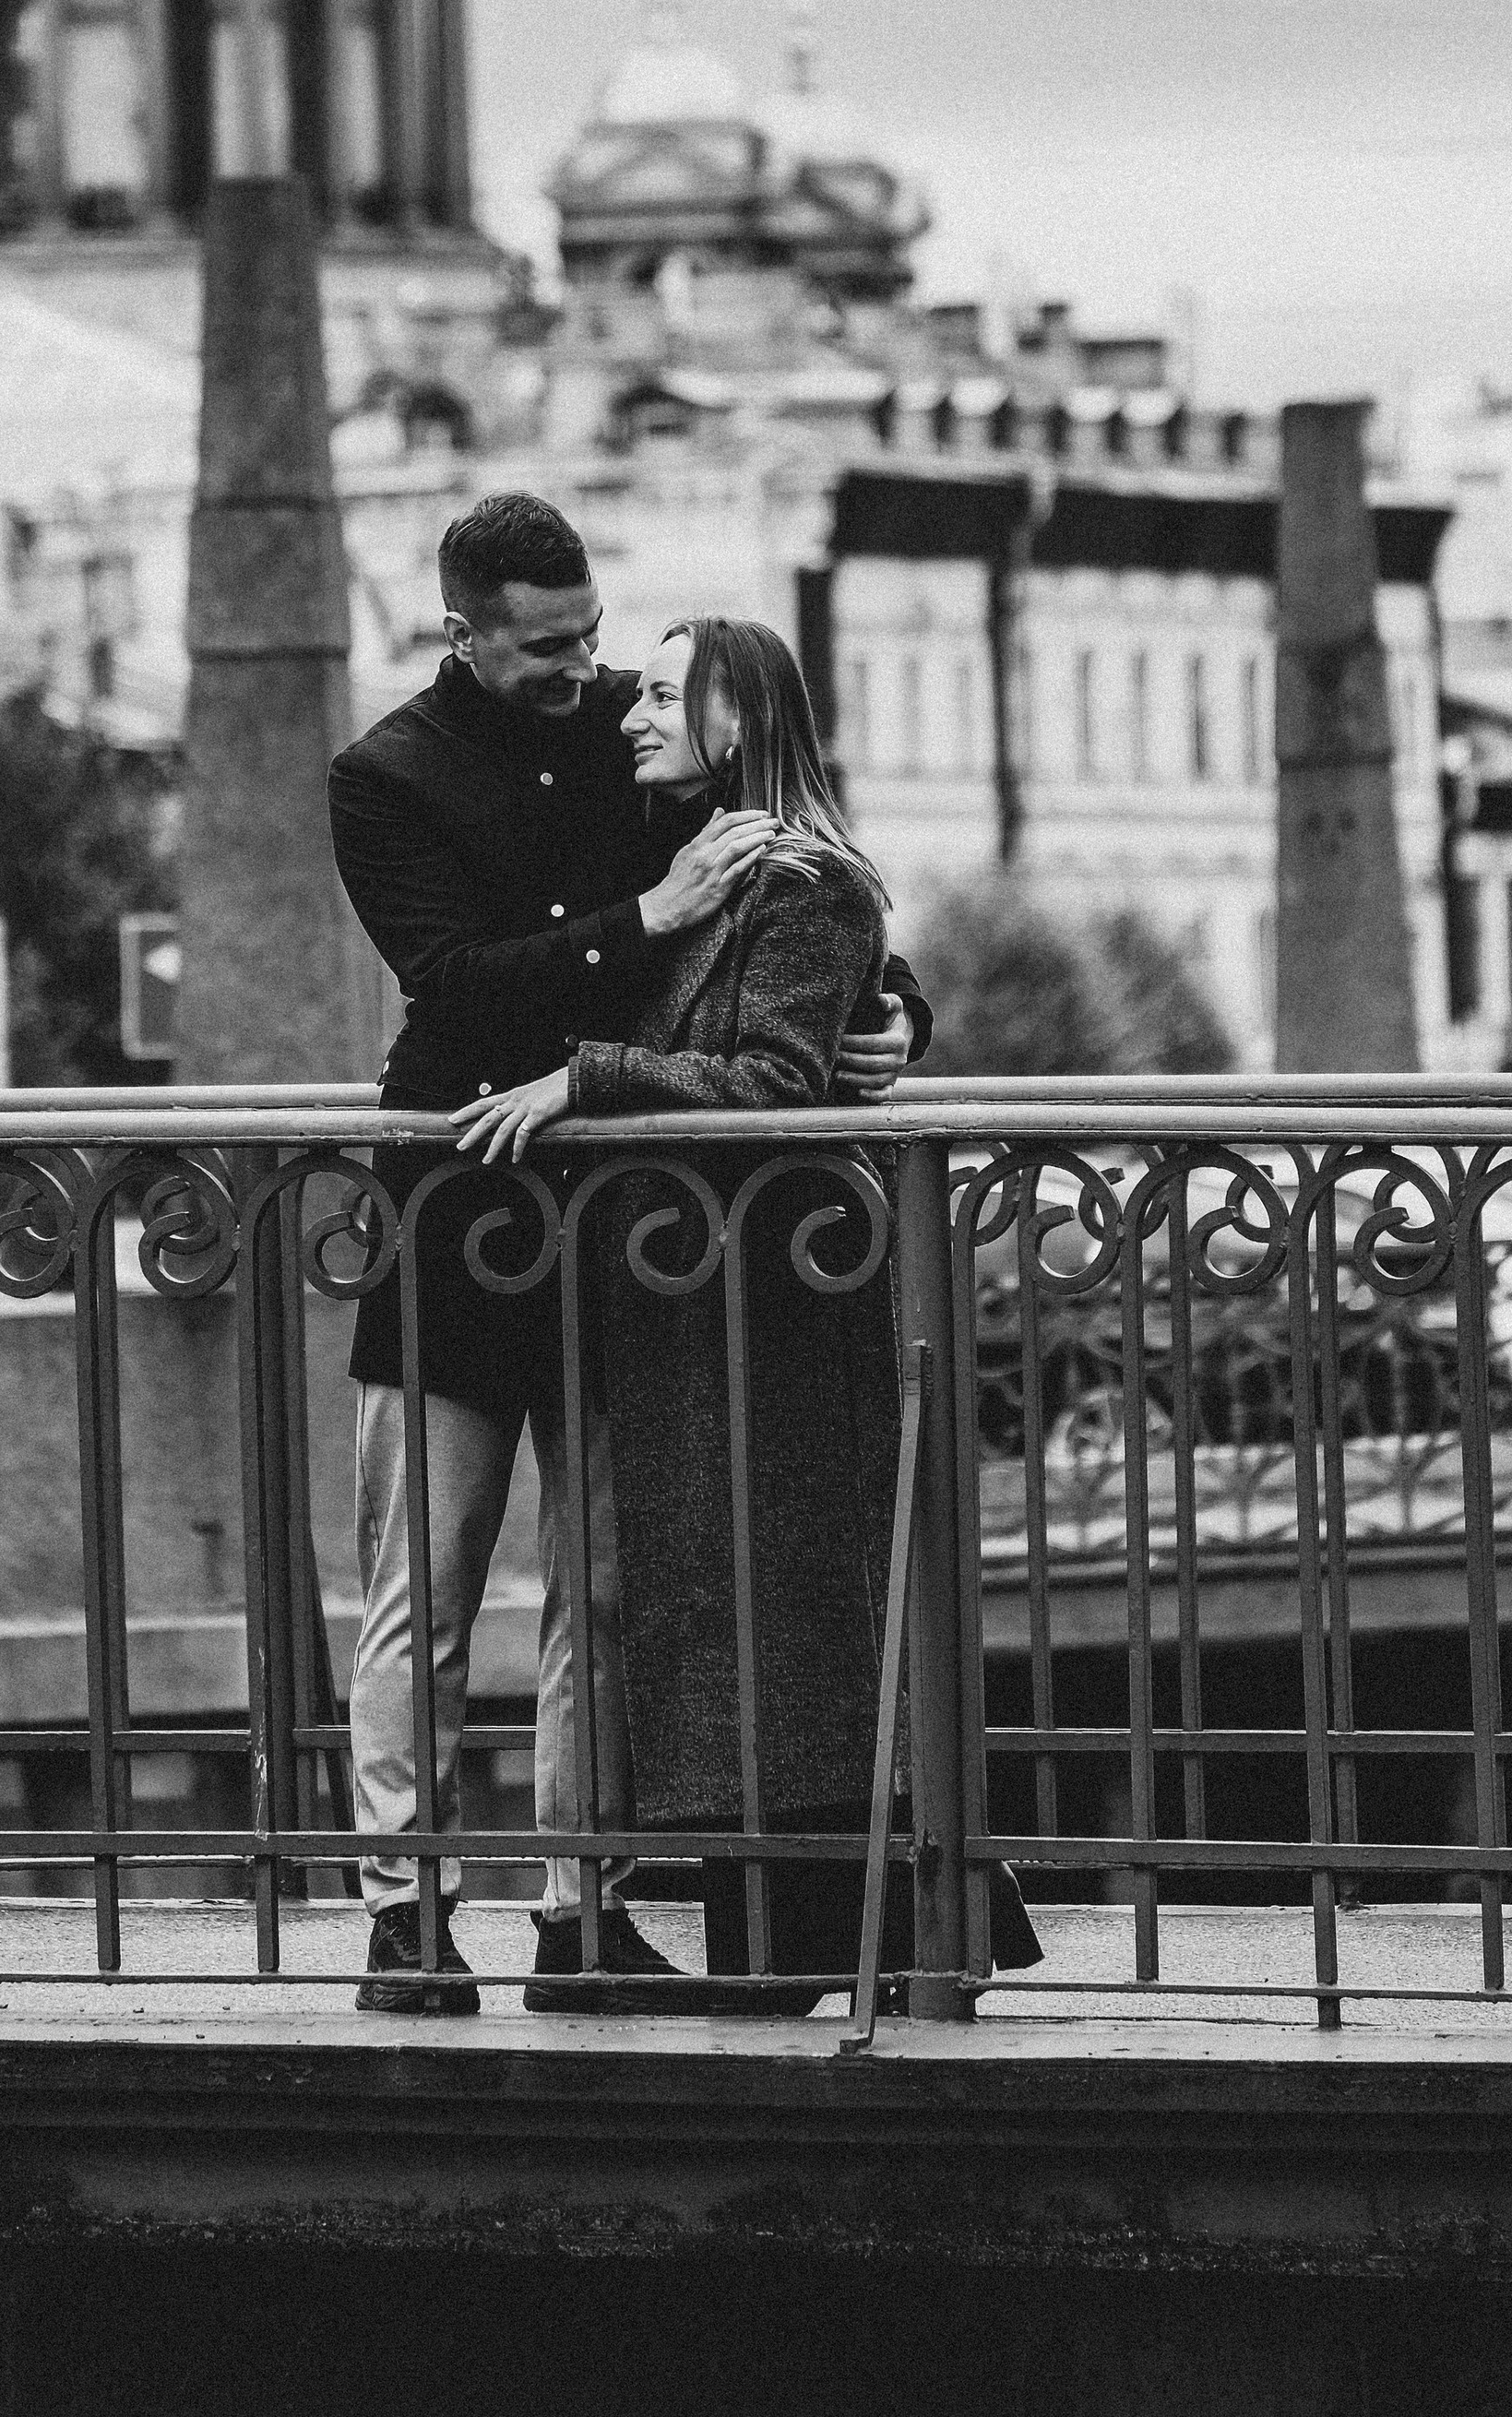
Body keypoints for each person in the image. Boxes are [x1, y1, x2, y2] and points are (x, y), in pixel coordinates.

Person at [327, 495, 928, 2016]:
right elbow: (452, 985)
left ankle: (579, 1909)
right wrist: (639, 917)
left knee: (601, 1591)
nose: (582, 666)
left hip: (620, 1241)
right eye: (546, 646)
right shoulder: (382, 774)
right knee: (431, 1588)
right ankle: (406, 1915)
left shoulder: (630, 729)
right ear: (462, 630)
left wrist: (893, 1015)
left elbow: (792, 879)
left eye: (593, 633)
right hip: (459, 1201)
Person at [456, 613, 1040, 2006]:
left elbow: (778, 1074)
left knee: (787, 1620)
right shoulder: (686, 858)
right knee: (724, 1624)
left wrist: (589, 1082)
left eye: (665, 692)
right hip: (686, 1300)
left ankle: (836, 1943)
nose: (633, 714)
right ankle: (795, 1946)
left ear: (742, 718)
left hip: (776, 1303)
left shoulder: (804, 882)